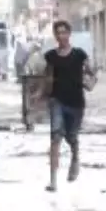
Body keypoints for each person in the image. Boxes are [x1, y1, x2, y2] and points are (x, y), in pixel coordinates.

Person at [43, 20, 95, 192]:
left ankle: (75, 157)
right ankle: (53, 181)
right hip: (57, 100)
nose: (61, 36)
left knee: (71, 136)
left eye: (64, 32)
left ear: (69, 34)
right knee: (55, 137)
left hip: (76, 102)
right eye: (58, 33)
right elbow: (48, 77)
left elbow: (91, 71)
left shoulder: (79, 54)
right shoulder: (50, 56)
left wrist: (90, 80)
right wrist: (41, 95)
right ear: (55, 35)